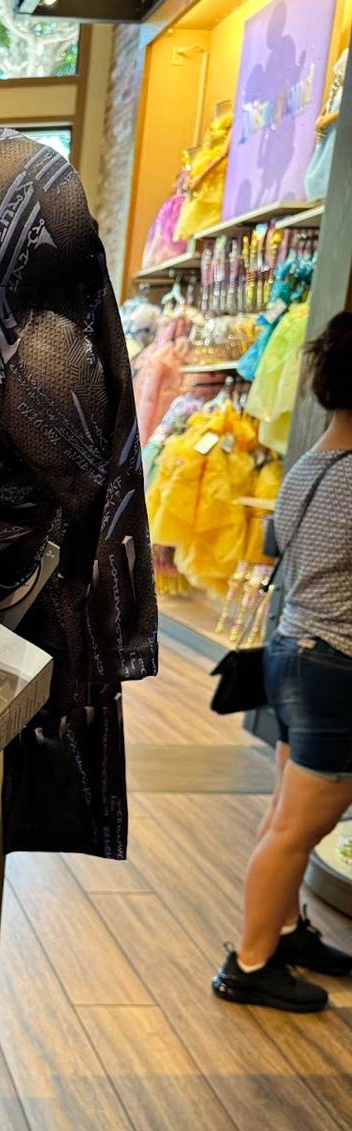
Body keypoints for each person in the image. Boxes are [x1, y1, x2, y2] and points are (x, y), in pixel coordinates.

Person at [215, 311, 352, 1012]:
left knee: (283, 817)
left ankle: (285, 931)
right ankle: (249, 964)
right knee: (296, 829)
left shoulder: (312, 463)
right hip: (334, 668)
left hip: (291, 654)